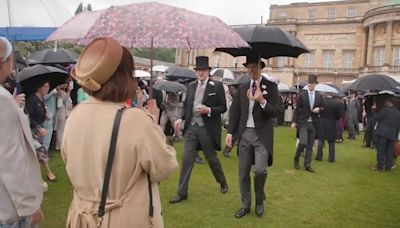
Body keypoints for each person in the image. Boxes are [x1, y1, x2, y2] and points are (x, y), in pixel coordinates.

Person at [61, 37, 178, 228]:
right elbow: (164, 167)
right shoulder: (136, 120)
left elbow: (69, 161)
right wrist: (154, 124)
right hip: (123, 218)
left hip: (81, 218)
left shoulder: (75, 114)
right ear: (124, 76)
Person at [226, 54, 281, 218]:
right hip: (244, 135)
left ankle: (259, 200)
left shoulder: (270, 87)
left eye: (254, 67)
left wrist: (262, 100)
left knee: (260, 171)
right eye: (248, 67)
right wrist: (230, 132)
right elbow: (235, 113)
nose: (251, 70)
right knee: (243, 173)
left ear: (260, 68)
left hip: (261, 136)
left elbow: (276, 112)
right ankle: (245, 205)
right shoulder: (242, 87)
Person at [170, 56, 228, 204]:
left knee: (211, 158)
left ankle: (222, 181)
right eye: (198, 70)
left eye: (203, 70)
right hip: (191, 128)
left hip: (206, 128)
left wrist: (208, 109)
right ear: (196, 72)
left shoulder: (217, 86)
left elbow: (223, 107)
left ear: (208, 71)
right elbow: (187, 106)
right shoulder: (191, 86)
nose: (201, 73)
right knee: (187, 159)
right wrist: (181, 119)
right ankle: (181, 193)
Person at [0, 36, 43, 228]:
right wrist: (29, 206)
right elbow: (11, 160)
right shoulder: (3, 100)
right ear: (6, 62)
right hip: (7, 210)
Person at [25, 80, 58, 182]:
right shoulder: (32, 100)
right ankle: (48, 173)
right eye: (45, 86)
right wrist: (38, 128)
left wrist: (45, 116)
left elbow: (39, 115)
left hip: (37, 131)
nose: (47, 89)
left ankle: (34, 176)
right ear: (39, 87)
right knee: (41, 149)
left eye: (48, 87)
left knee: (34, 154)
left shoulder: (41, 99)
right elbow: (28, 117)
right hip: (30, 130)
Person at [292, 74, 323, 173]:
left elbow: (322, 107)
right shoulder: (302, 95)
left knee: (310, 146)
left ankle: (307, 165)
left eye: (312, 83)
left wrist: (319, 109)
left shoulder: (319, 96)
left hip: (313, 123)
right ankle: (296, 158)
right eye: (309, 83)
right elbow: (297, 110)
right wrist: (294, 121)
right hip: (303, 122)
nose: (310, 85)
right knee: (303, 142)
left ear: (315, 84)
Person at [374, 94, 400, 171]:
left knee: (381, 150)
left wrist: (374, 110)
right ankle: (388, 167)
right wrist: (396, 137)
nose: (385, 102)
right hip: (392, 134)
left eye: (387, 101)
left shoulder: (385, 110)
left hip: (383, 133)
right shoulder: (398, 113)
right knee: (390, 152)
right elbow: (398, 126)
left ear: (389, 102)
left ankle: (379, 167)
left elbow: (377, 118)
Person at [316, 93, 342, 162]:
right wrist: (334, 119)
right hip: (332, 123)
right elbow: (339, 115)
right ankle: (331, 158)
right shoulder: (336, 103)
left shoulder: (321, 102)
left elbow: (317, 111)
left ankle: (319, 157)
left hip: (322, 122)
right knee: (332, 142)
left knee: (321, 140)